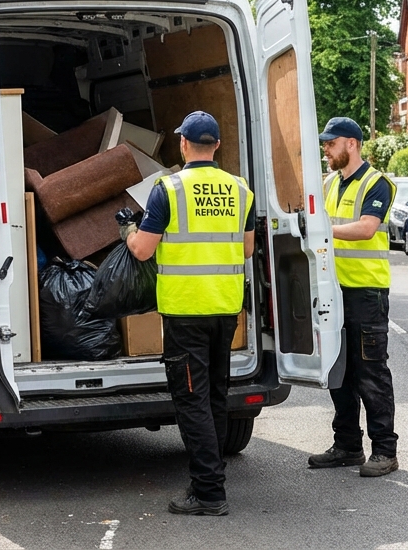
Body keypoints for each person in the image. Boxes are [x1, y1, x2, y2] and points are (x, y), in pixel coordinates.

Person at [122, 111, 255, 516]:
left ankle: (209, 493)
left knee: (192, 401)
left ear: (182, 144)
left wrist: (128, 230)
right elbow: (248, 249)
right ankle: (211, 480)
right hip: (225, 309)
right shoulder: (240, 190)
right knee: (214, 397)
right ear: (217, 146)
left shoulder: (168, 189)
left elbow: (142, 250)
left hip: (185, 313)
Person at [307, 116, 400, 478]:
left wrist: (322, 229)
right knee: (339, 371)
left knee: (371, 373)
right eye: (325, 144)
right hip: (334, 291)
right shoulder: (329, 183)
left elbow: (366, 228)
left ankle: (385, 451)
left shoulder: (377, 183)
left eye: (331, 144)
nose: (326, 150)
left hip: (366, 293)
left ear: (352, 144)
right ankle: (347, 446)